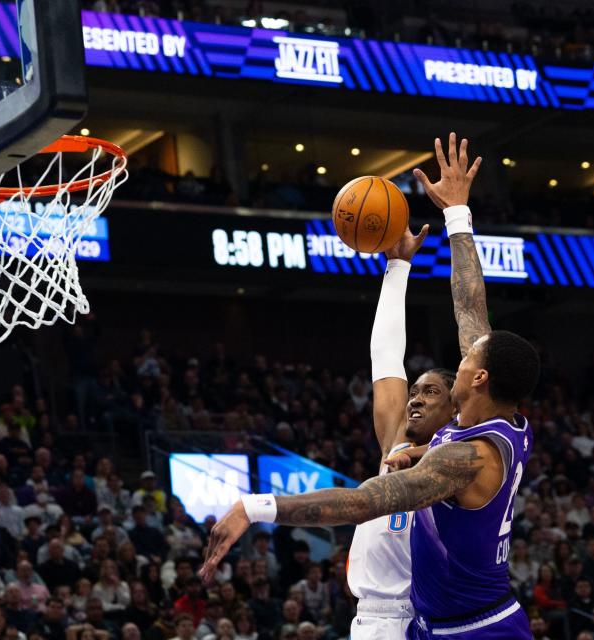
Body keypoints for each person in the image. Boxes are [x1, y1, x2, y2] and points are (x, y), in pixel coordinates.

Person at [201, 134, 538, 640]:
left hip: (473, 629)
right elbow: (470, 308)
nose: (462, 352)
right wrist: (457, 215)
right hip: (433, 624)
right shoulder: (477, 424)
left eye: (467, 358)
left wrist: (255, 506)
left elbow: (365, 502)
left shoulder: (465, 459)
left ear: (478, 379)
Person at [347, 213, 455, 639]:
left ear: (455, 411)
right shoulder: (395, 440)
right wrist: (397, 269)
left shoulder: (462, 457)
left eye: (430, 393)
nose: (415, 398)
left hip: (429, 616)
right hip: (374, 618)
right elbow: (386, 357)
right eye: (415, 390)